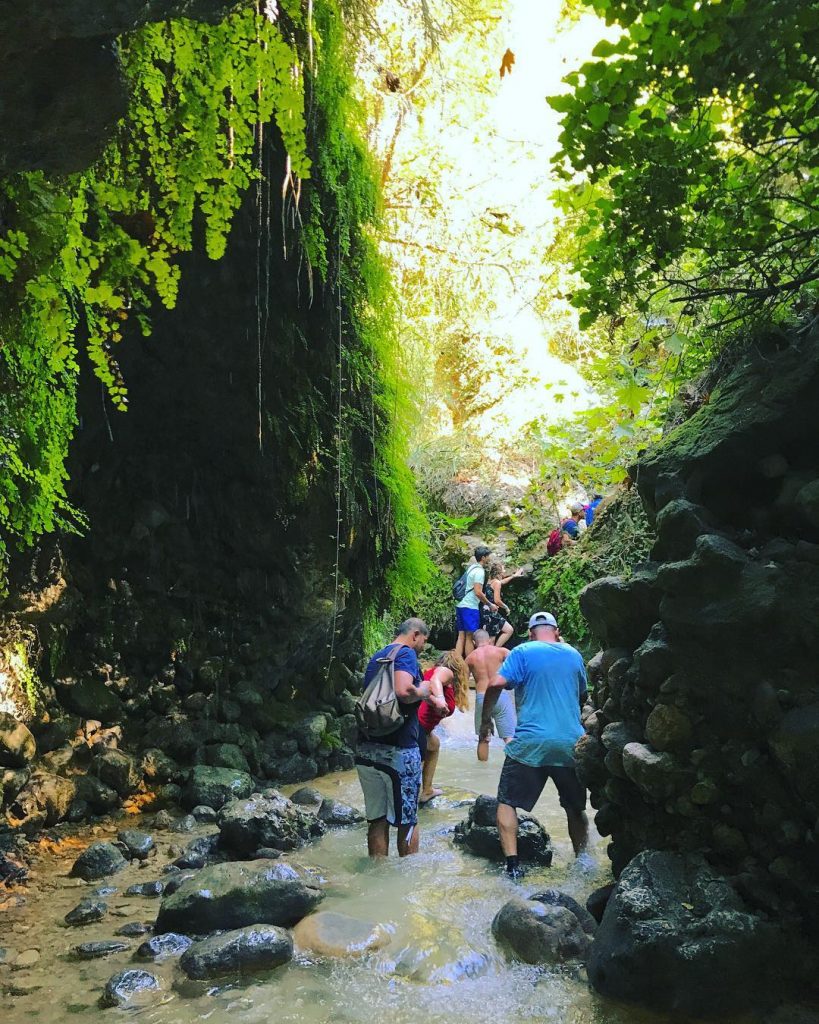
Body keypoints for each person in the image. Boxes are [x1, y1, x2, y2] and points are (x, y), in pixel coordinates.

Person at [479, 611, 589, 878]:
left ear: (530, 634)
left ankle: (513, 868)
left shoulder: (523, 651)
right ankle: (583, 864)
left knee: (507, 802)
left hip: (530, 743)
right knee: (575, 808)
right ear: (557, 632)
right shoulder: (574, 654)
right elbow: (582, 695)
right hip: (569, 742)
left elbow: (496, 683)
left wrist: (485, 720)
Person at [354, 618, 442, 857]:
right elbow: (404, 691)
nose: (423, 646)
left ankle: (378, 871)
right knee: (408, 821)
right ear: (415, 635)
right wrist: (423, 690)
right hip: (398, 751)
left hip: (367, 748)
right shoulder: (406, 654)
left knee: (377, 820)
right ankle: (408, 875)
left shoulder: (378, 656)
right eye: (423, 641)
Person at [417, 651, 469, 804]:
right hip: (418, 727)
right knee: (414, 766)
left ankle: (427, 790)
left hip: (419, 726)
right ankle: (413, 797)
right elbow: (436, 679)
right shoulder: (445, 672)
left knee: (434, 744)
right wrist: (440, 700)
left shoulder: (432, 673)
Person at [466, 629, 517, 761]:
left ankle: (482, 770)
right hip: (500, 694)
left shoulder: (470, 658)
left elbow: (463, 681)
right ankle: (513, 767)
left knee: (483, 737)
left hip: (482, 697)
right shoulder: (501, 651)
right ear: (489, 640)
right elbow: (517, 662)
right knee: (509, 736)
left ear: (474, 642)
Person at [455, 545, 497, 658]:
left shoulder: (471, 568)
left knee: (461, 636)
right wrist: (490, 604)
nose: (489, 559)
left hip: (461, 604)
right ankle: (470, 664)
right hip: (470, 607)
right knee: (470, 637)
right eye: (488, 556)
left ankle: (456, 663)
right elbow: (478, 592)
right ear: (483, 558)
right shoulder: (479, 571)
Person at [481, 562, 525, 648]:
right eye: (503, 569)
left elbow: (502, 582)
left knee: (492, 637)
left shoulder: (490, 581)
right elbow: (497, 600)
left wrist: (514, 576)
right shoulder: (497, 583)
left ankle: (494, 651)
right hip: (492, 612)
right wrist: (506, 607)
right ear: (499, 572)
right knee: (506, 631)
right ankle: (495, 650)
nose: (504, 571)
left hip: (486, 611)